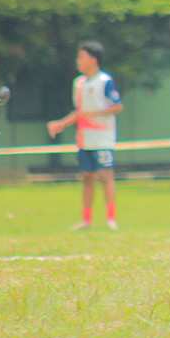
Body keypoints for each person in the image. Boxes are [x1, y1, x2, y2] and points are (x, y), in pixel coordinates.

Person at [47, 40, 124, 231]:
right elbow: (79, 111)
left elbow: (118, 106)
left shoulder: (105, 81)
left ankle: (111, 218)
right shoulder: (79, 83)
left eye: (81, 57)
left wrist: (96, 113)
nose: (78, 61)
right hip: (84, 139)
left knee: (106, 176)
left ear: (93, 59)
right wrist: (61, 124)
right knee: (87, 177)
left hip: (103, 139)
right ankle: (87, 219)